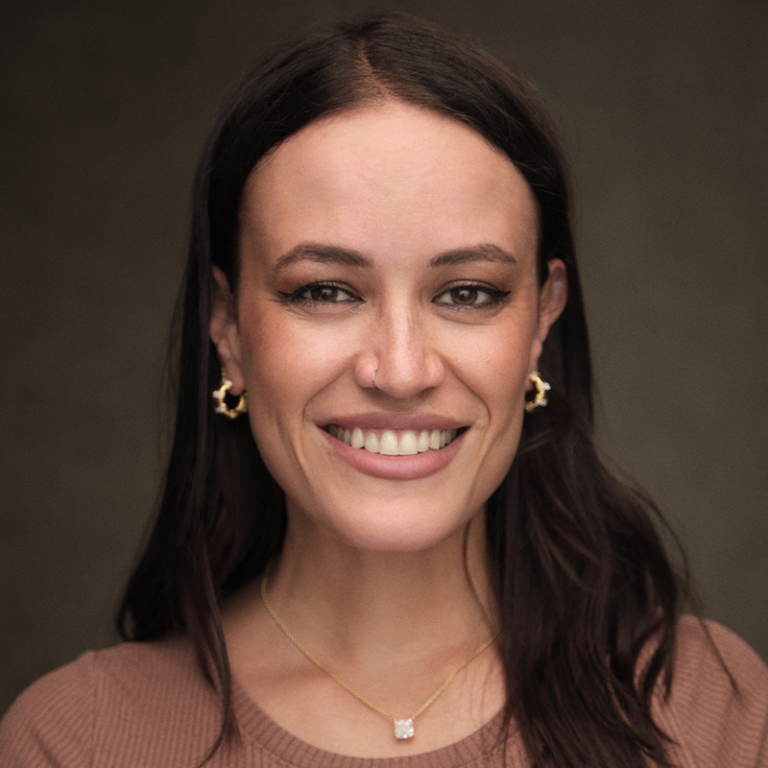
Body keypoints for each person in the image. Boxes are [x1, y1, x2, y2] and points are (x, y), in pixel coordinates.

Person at [1, 11, 766, 768]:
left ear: (542, 320)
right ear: (227, 326)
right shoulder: (76, 741)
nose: (400, 372)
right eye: (326, 291)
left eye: (467, 293)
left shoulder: (710, 711)